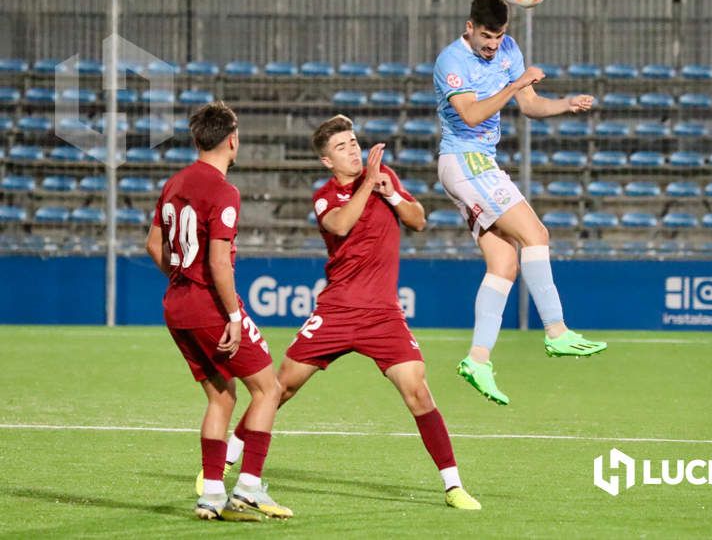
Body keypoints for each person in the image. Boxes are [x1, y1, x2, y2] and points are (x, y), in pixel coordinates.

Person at [212, 115, 482, 510]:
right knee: (279, 388)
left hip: (383, 315)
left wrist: (390, 193)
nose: (353, 150)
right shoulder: (325, 195)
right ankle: (224, 463)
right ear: (327, 161)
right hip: (336, 312)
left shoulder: (382, 176)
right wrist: (370, 185)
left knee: (418, 391)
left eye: (354, 142)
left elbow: (419, 220)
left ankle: (453, 485)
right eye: (342, 147)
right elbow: (340, 225)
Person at [433, 0, 608, 406]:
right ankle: (556, 331)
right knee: (536, 233)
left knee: (505, 264)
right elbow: (472, 115)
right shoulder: (451, 62)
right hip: (463, 160)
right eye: (487, 36)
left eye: (500, 36)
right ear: (470, 27)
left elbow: (529, 106)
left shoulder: (509, 50)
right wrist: (515, 84)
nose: (494, 44)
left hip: (480, 162)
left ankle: (478, 359)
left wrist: (565, 104)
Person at [146, 101, 292, 522]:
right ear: (233, 140)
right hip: (210, 306)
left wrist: (182, 279)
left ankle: (211, 495)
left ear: (196, 140)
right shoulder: (224, 191)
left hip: (177, 306)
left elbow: (154, 246)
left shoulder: (174, 182)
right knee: (269, 389)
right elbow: (217, 263)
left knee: (221, 396)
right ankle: (247, 487)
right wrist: (231, 315)